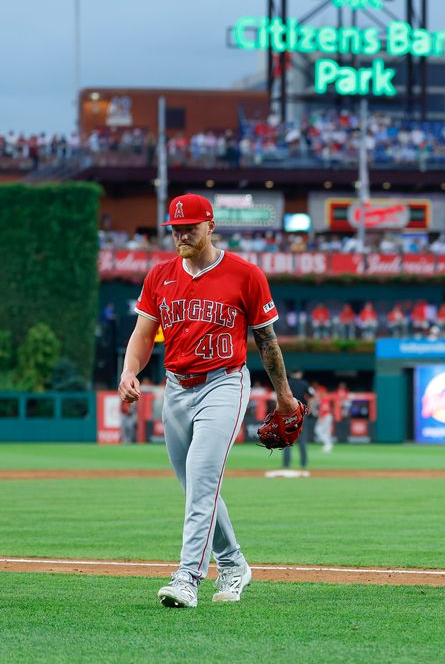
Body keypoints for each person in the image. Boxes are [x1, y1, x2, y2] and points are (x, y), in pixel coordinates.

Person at [119, 193, 297, 609]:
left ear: (210, 226)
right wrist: (130, 371)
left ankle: (188, 577)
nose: (182, 234)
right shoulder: (159, 275)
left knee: (201, 479)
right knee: (196, 489)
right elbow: (144, 334)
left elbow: (267, 341)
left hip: (224, 383)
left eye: (190, 227)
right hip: (176, 387)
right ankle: (234, 564)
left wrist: (284, 397)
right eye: (176, 228)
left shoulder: (245, 274)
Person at [279, 371, 316, 474]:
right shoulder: (304, 383)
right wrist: (309, 409)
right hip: (300, 414)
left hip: (289, 414)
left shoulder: (287, 383)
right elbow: (312, 396)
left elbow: (280, 397)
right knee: (302, 441)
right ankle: (303, 464)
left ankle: (286, 464)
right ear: (299, 374)